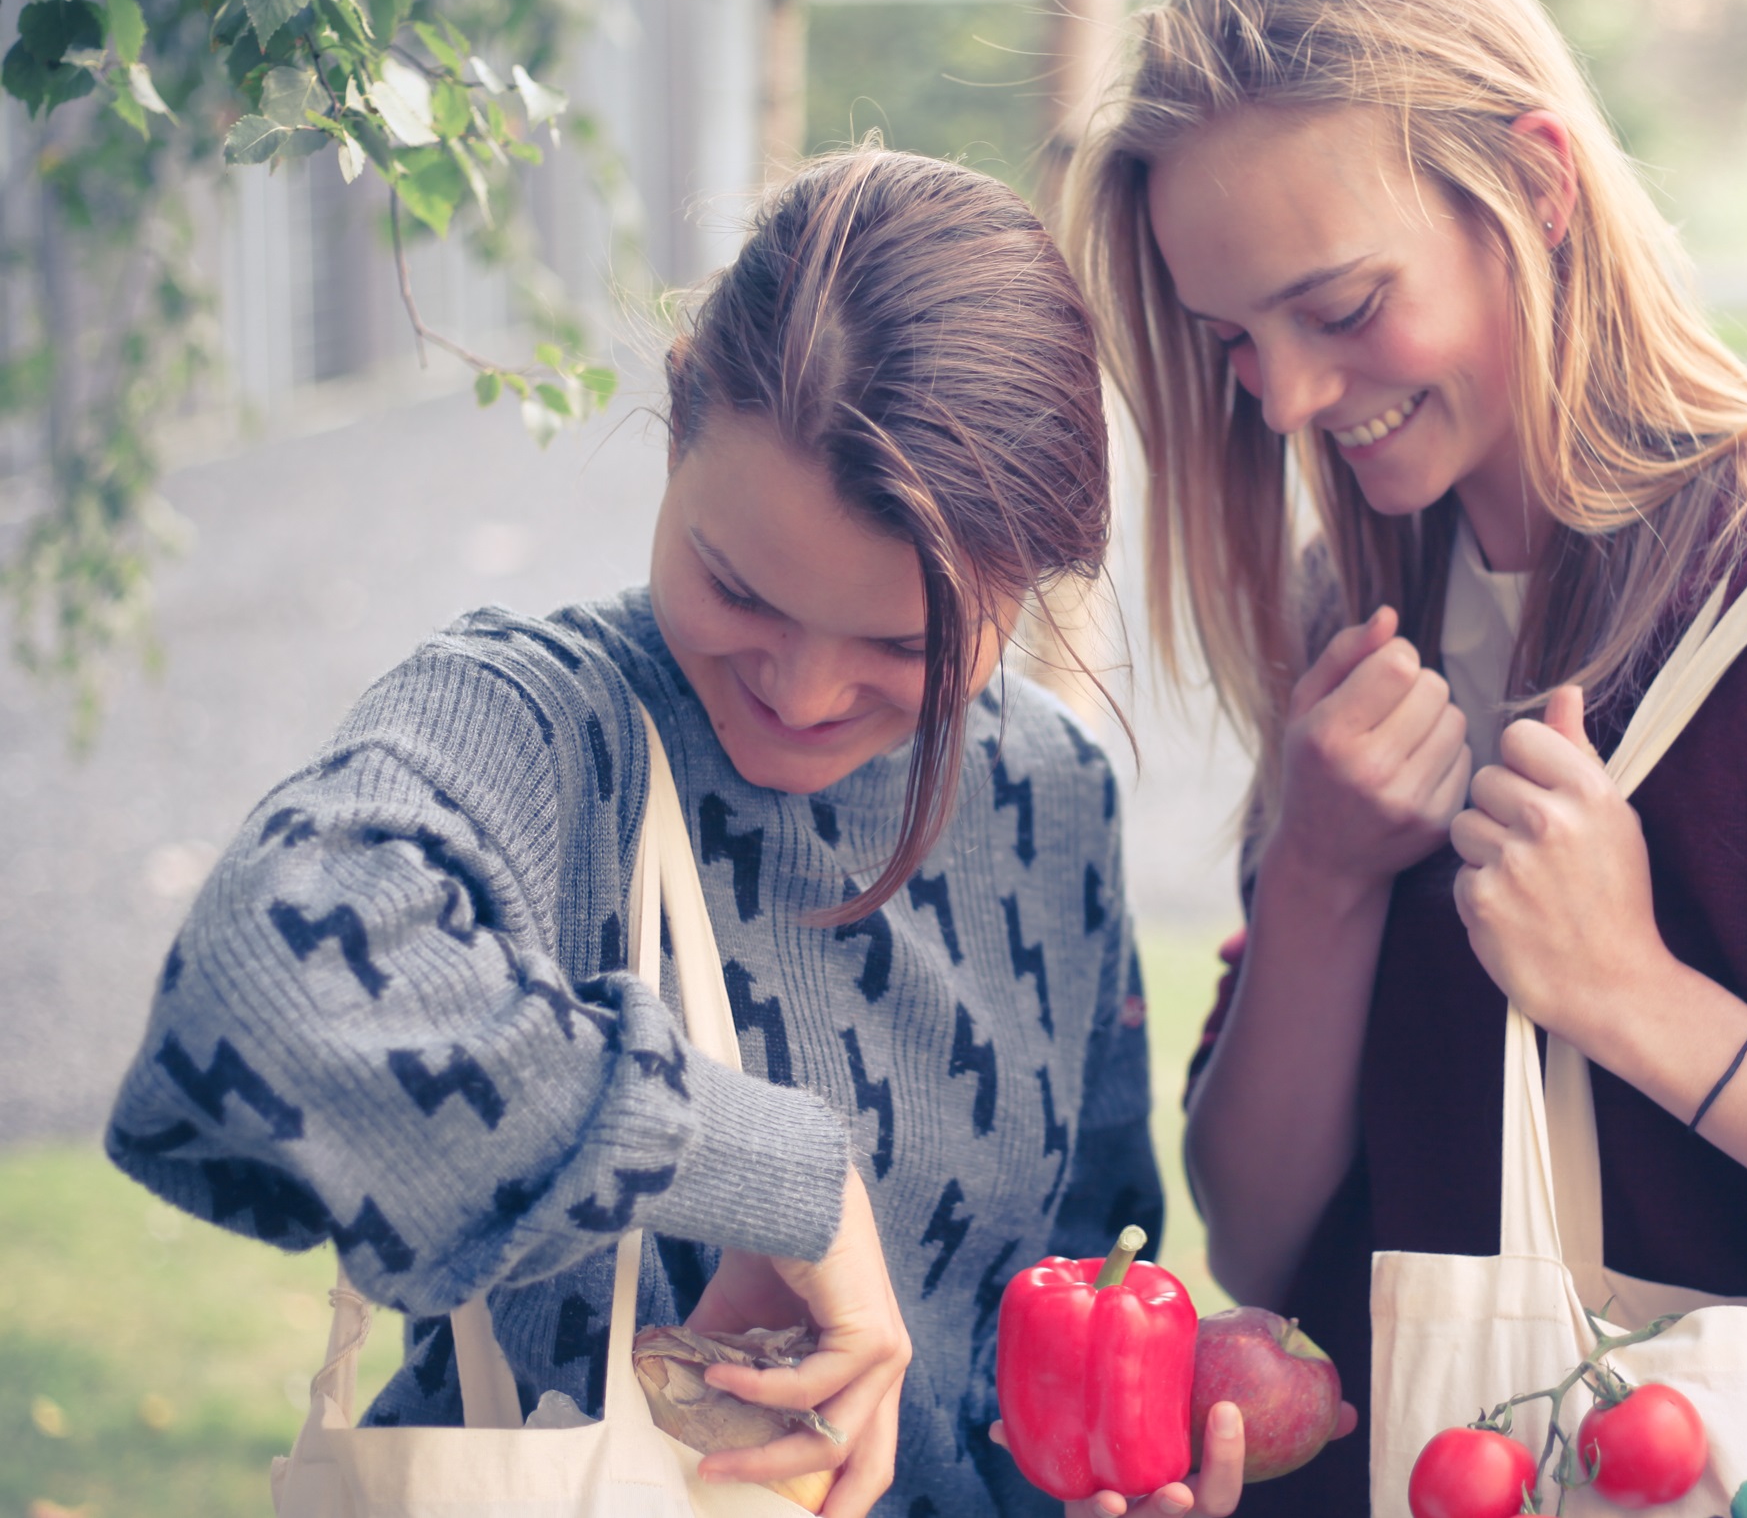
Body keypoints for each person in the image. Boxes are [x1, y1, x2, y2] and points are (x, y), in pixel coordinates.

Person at [102, 148, 1239, 1518]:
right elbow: (270, 980)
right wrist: (785, 1174)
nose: (803, 692)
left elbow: (1067, 1280)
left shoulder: (1051, 796)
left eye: (901, 643)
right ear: (681, 407)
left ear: (1034, 579)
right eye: (737, 585)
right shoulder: (535, 727)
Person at [1066, 0, 1747, 1507]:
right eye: (1232, 342)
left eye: (1338, 308)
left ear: (1534, 183)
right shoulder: (1364, 608)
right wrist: (1321, 873)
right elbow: (1257, 1235)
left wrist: (1635, 1000)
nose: (1295, 400)